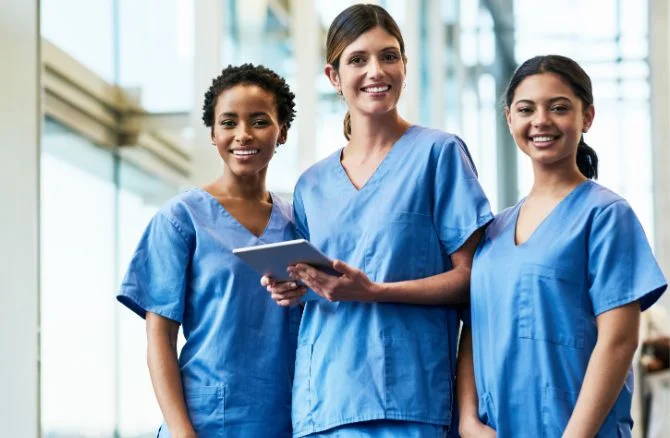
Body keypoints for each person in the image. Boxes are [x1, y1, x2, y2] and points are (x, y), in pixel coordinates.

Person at [264, 4, 493, 437]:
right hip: (324, 403)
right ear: (333, 76)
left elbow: (476, 279)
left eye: (389, 56)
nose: (376, 70)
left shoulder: (438, 155)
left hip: (411, 402)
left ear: (405, 65)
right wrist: (292, 285)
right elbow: (320, 285)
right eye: (358, 59)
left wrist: (376, 291)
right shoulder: (311, 185)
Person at [456, 54, 668, 437]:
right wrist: (468, 420)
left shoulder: (605, 215)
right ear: (509, 119)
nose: (541, 121)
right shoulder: (493, 232)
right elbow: (474, 328)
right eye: (526, 109)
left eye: (558, 108)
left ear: (586, 117)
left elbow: (619, 341)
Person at [117, 64, 302, 438]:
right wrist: (183, 432)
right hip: (206, 422)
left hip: (286, 421)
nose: (243, 135)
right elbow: (160, 338)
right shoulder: (181, 219)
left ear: (282, 131)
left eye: (260, 121)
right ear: (213, 133)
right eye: (229, 122)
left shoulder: (297, 222)